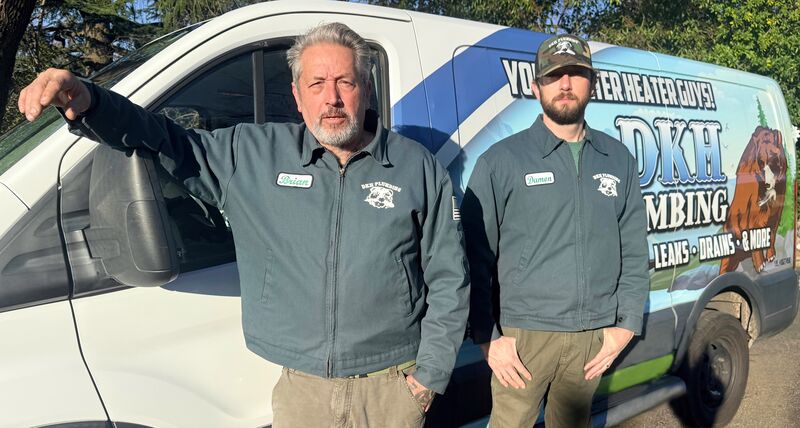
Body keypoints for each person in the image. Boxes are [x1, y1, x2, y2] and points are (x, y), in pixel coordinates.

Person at [19, 22, 469, 428]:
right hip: (303, 394)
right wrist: (92, 102)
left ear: (364, 89)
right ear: (296, 95)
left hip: (391, 389)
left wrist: (427, 379)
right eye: (316, 83)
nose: (331, 98)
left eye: (344, 82)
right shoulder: (251, 155)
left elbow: (450, 278)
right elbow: (163, 138)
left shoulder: (416, 168)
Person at [461, 34, 649, 428]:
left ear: (592, 84)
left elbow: (633, 248)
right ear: (536, 87)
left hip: (592, 335)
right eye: (553, 76)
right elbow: (474, 256)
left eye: (576, 74)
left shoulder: (618, 159)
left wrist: (625, 326)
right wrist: (487, 337)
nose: (565, 84)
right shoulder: (501, 161)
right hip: (524, 337)